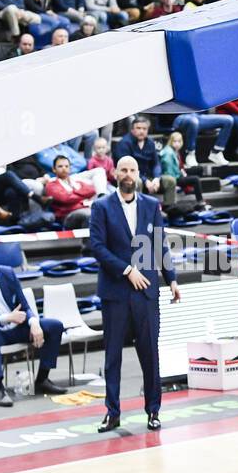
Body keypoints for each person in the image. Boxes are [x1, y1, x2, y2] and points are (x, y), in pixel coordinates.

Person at [88, 155, 179, 433]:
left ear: (139, 174)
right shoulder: (101, 206)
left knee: (150, 354)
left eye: (133, 170)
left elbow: (160, 244)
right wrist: (127, 270)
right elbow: (97, 247)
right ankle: (112, 412)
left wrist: (172, 279)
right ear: (115, 172)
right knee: (112, 356)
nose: (128, 174)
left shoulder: (152, 205)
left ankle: (153, 411)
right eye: (124, 169)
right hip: (115, 292)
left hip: (147, 292)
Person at [0, 242, 67, 406]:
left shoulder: (7, 273)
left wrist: (34, 322)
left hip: (17, 327)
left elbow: (25, 305)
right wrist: (8, 317)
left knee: (54, 325)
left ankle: (42, 379)